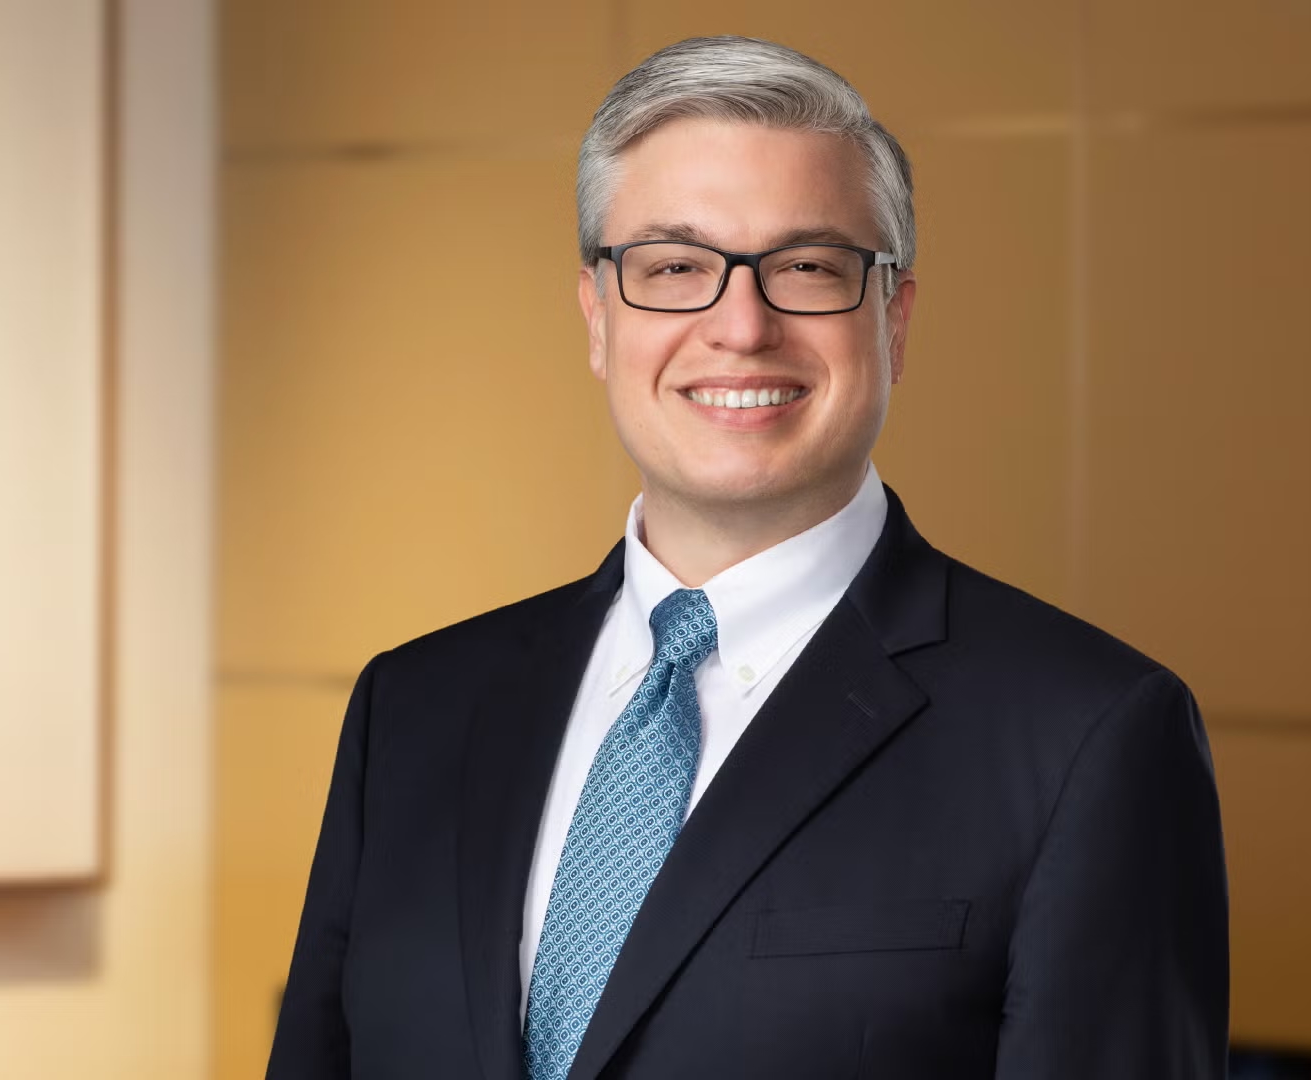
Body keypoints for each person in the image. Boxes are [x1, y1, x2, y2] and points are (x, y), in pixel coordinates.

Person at [266, 35, 1227, 1080]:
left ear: (894, 321)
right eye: (675, 266)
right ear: (597, 318)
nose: (740, 324)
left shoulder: (1089, 738)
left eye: (808, 268)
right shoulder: (412, 710)